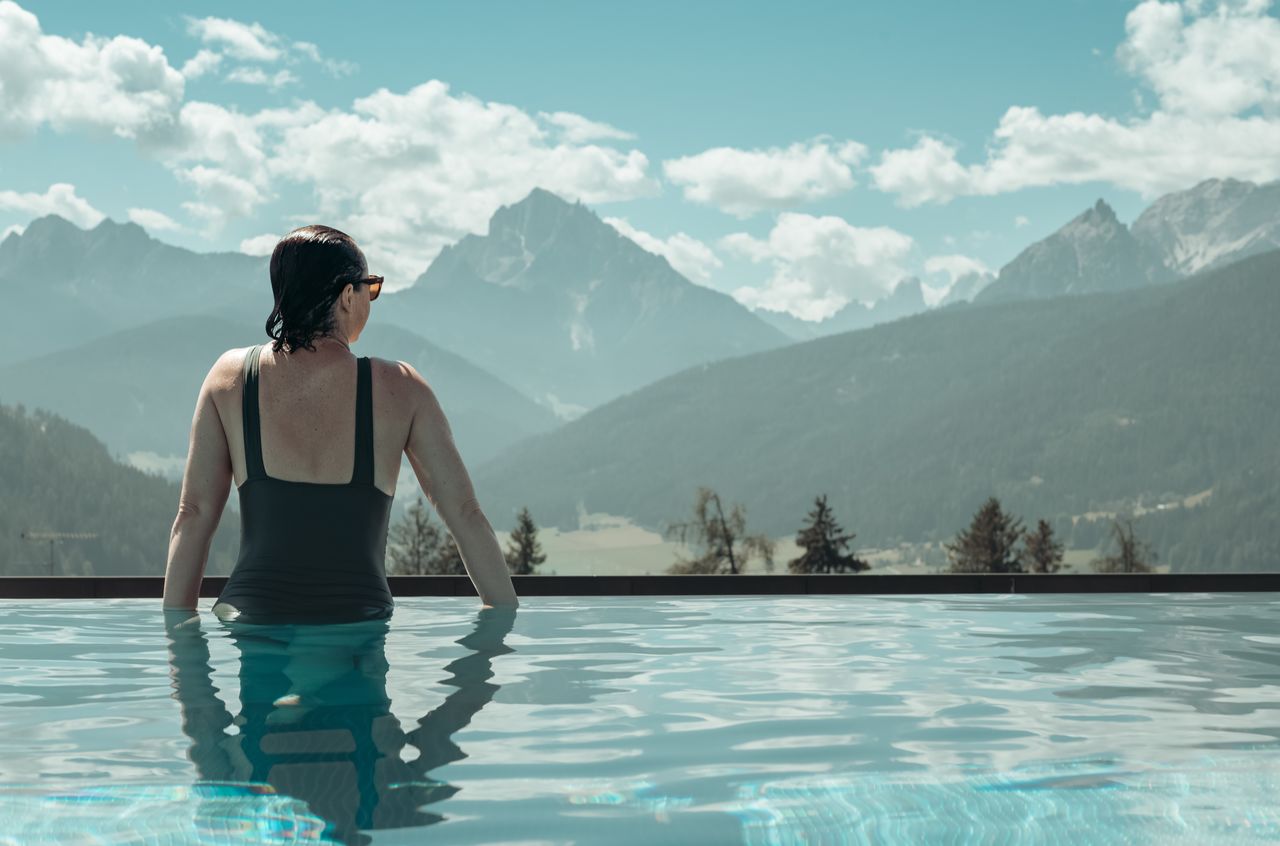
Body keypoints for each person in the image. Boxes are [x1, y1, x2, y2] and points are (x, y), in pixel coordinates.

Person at [162, 224, 519, 620]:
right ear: (348, 296)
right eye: (372, 288)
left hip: (253, 618)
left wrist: (176, 641)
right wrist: (505, 624)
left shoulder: (230, 378)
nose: (371, 298)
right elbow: (465, 512)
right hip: (356, 622)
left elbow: (192, 514)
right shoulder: (400, 389)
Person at [164, 606, 516, 844]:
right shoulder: (399, 815)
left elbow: (201, 723)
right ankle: (307, 691)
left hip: (273, 613)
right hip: (346, 611)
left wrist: (179, 624)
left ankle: (307, 691)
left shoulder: (400, 816)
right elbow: (202, 723)